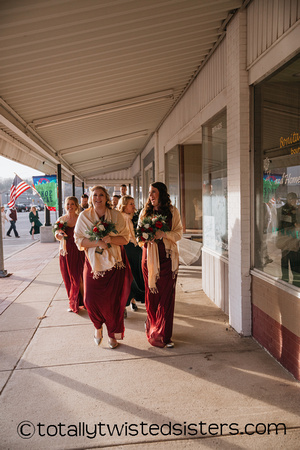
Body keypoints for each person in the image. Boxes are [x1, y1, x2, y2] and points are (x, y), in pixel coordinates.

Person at [74, 185, 132, 349]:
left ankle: (112, 335)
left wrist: (110, 240)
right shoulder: (84, 216)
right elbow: (78, 240)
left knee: (112, 302)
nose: (97, 198)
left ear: (106, 198)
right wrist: (96, 242)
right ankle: (97, 326)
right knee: (90, 299)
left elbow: (125, 239)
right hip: (93, 264)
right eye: (94, 195)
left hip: (114, 265)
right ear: (90, 198)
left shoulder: (116, 215)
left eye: (100, 195)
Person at [139, 182, 183, 348]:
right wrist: (146, 237)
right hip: (149, 258)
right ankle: (152, 327)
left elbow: (179, 233)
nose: (151, 195)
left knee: (166, 297)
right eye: (149, 192)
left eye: (154, 192)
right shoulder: (145, 212)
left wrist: (163, 233)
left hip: (168, 258)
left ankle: (164, 335)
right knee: (152, 296)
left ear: (162, 194)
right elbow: (138, 236)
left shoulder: (173, 211)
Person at [54, 196, 85, 313]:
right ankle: (73, 302)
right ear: (65, 205)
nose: (70, 206)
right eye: (68, 204)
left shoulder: (81, 218)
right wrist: (59, 235)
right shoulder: (61, 220)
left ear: (76, 206)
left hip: (79, 251)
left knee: (80, 278)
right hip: (66, 253)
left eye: (72, 204)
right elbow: (56, 234)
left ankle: (85, 302)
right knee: (69, 279)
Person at [117, 195, 145, 316]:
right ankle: (124, 304)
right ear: (124, 205)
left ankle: (132, 300)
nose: (134, 206)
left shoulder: (133, 218)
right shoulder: (119, 218)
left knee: (136, 277)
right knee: (127, 278)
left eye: (134, 203)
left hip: (136, 250)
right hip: (126, 249)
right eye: (131, 204)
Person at [276, 192, 300, 286]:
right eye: (294, 199)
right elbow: (291, 223)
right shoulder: (287, 210)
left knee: (286, 260)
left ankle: (286, 279)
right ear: (289, 200)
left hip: (287, 238)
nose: (295, 201)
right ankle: (293, 281)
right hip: (289, 239)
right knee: (293, 261)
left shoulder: (286, 209)